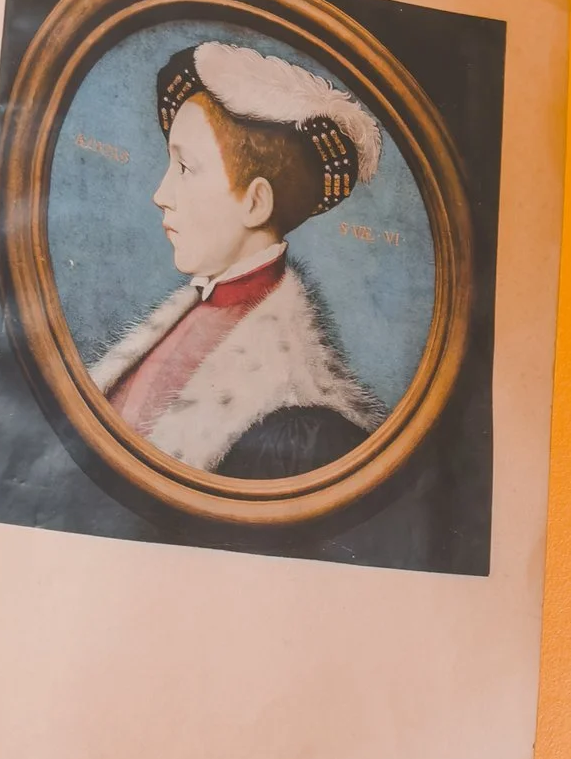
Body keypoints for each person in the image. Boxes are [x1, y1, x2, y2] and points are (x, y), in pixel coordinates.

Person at [90, 41, 386, 478]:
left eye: (185, 168)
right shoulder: (189, 314)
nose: (160, 195)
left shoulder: (296, 422)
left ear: (255, 203)